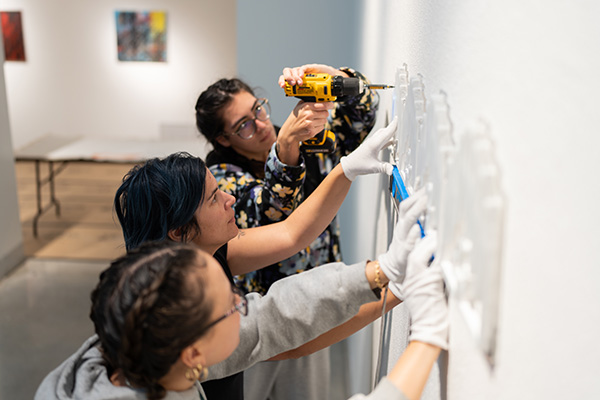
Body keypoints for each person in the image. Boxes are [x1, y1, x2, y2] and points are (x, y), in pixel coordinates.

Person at [113, 119, 410, 400]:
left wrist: (346, 169)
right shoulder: (171, 318)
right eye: (214, 198)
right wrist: (382, 274)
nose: (229, 199)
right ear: (180, 231)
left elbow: (291, 235)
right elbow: (271, 322)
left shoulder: (205, 251)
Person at [34, 232, 447, 400]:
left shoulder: (142, 353)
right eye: (233, 304)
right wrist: (427, 337)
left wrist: (378, 272)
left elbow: (269, 317)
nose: (245, 304)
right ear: (195, 354)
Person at [194, 63, 379, 400]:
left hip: (316, 301)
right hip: (261, 317)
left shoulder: (307, 137)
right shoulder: (221, 176)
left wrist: (327, 75)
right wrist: (286, 146)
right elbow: (270, 212)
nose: (261, 125)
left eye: (258, 109)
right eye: (244, 126)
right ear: (223, 138)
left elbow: (361, 121)